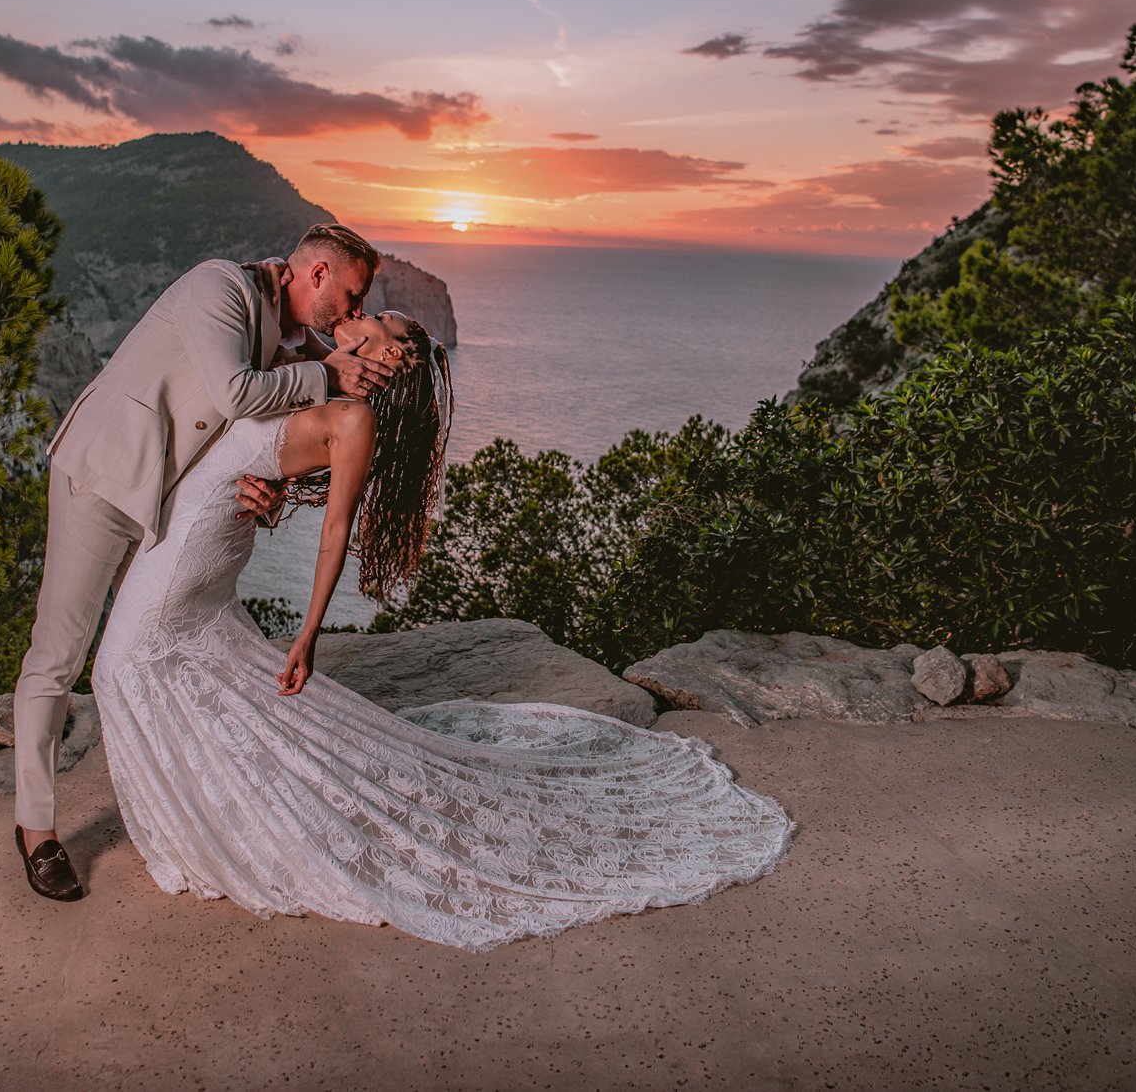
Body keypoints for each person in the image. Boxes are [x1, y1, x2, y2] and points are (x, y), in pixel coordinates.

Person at [86, 310, 796, 952]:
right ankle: (204, 803)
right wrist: (270, 495)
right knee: (156, 672)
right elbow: (239, 423)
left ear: (392, 355)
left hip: (189, 560)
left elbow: (336, 530)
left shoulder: (352, 419)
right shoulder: (312, 375)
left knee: (122, 667)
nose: (357, 314)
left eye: (378, 317)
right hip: (199, 544)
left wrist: (307, 635)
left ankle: (207, 817)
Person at [12, 223, 398, 901]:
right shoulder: (219, 286)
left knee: (154, 644)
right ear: (317, 274)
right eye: (352, 294)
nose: (354, 311)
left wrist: (268, 492)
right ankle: (36, 830)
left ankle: (174, 799)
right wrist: (327, 374)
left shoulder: (290, 340)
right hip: (105, 476)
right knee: (58, 654)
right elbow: (234, 394)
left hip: (167, 499)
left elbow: (250, 438)